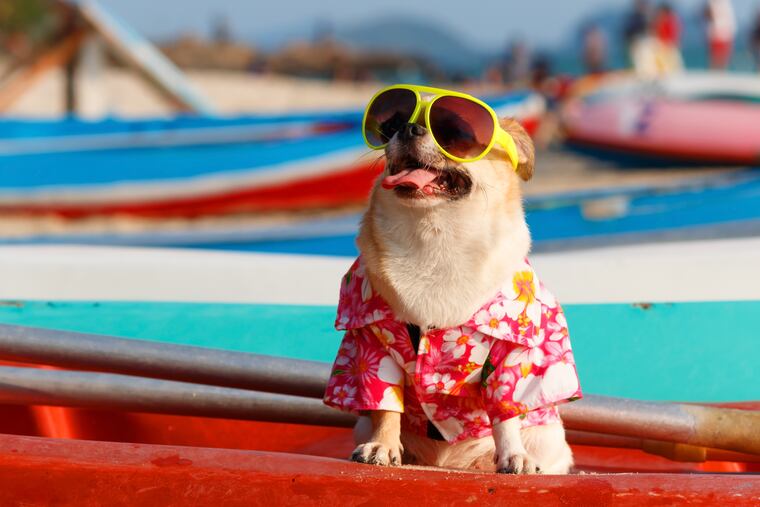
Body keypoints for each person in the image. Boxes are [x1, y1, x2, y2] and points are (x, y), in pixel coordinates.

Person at [652, 3, 683, 74]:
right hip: (664, 46)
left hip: (667, 46)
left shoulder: (669, 21)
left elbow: (673, 35)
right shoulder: (663, 21)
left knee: (671, 66)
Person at [704, 0, 736, 70]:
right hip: (717, 33)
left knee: (721, 59)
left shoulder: (724, 3)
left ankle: (719, 74)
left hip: (723, 33)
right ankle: (716, 74)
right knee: (716, 59)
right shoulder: (713, 3)